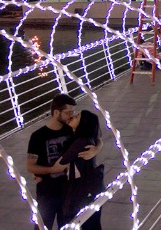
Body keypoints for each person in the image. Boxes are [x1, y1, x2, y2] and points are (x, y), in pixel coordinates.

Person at [27, 94, 101, 230]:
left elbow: (94, 136)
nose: (72, 116)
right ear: (56, 113)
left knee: (68, 226)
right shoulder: (38, 136)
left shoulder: (72, 130)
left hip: (69, 191)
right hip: (47, 192)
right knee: (42, 226)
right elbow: (30, 166)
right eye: (68, 112)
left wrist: (95, 149)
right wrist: (49, 171)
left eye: (73, 112)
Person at [60, 110, 103, 230]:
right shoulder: (81, 138)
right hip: (88, 188)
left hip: (83, 189)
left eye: (77, 116)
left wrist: (40, 171)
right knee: (91, 223)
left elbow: (61, 163)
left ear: (83, 123)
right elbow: (99, 139)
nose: (72, 116)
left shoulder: (81, 141)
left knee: (87, 223)